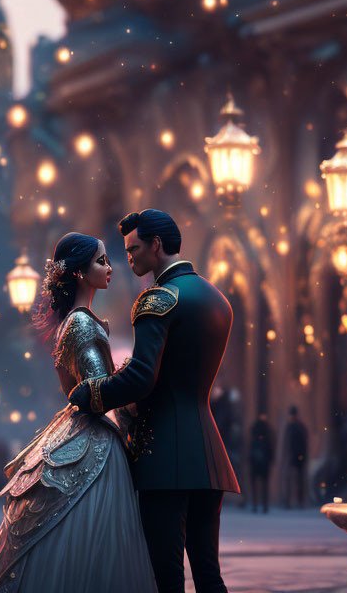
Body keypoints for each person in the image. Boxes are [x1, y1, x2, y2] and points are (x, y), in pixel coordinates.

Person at [0, 232, 157, 593]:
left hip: (83, 430)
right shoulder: (82, 322)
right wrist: (139, 378)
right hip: (93, 441)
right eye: (101, 261)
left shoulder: (77, 320)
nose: (110, 267)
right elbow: (98, 390)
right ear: (80, 273)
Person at [70, 209, 240, 593]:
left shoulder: (157, 300)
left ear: (156, 246)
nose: (127, 258)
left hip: (163, 454)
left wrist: (90, 394)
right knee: (209, 574)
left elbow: (141, 379)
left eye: (133, 249)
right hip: (206, 452)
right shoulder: (216, 297)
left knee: (166, 577)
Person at [282, 406, 308, 509]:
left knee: (298, 479)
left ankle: (299, 501)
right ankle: (290, 501)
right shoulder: (294, 426)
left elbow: (303, 442)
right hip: (294, 455)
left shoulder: (296, 427)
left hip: (297, 455)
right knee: (292, 479)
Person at [248, 413, 274, 513]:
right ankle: (264, 506)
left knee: (255, 484)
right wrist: (271, 459)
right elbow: (271, 448)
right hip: (264, 462)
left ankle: (256, 505)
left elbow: (250, 447)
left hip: (256, 461)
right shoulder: (267, 432)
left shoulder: (255, 433)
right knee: (264, 485)